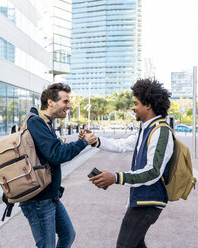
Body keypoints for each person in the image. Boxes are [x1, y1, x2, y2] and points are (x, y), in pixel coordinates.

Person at [80, 78, 173, 248]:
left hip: (148, 203)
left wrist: (115, 177)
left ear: (148, 106)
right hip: (141, 200)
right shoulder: (147, 129)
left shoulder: (160, 131)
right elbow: (121, 144)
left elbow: (153, 172)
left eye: (136, 103)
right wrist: (94, 140)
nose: (133, 107)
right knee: (136, 245)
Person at [21, 83, 97, 248]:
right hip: (38, 200)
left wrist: (79, 141)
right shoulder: (36, 123)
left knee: (67, 234)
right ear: (50, 102)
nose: (68, 106)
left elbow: (53, 151)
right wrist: (83, 143)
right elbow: (56, 155)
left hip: (50, 196)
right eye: (65, 101)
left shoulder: (45, 123)